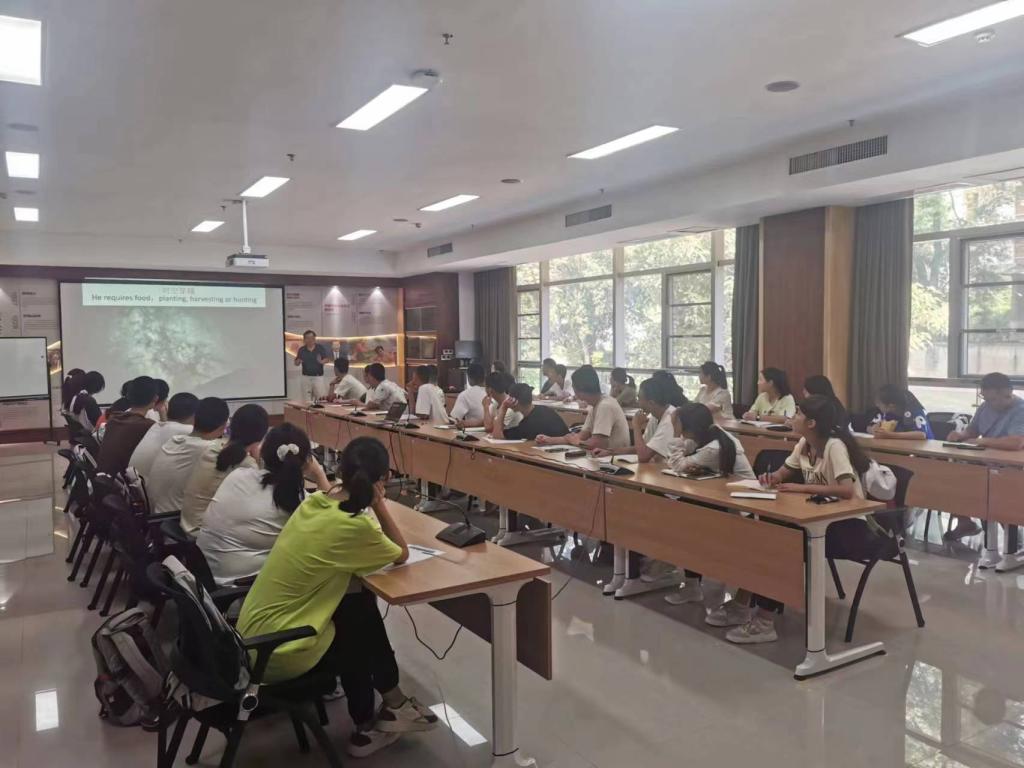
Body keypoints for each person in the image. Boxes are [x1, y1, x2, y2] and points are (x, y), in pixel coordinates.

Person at [237, 437, 438, 758]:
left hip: (251, 635)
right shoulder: (354, 525)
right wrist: (378, 504)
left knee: (355, 603)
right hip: (277, 651)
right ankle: (373, 721)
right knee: (356, 623)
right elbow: (401, 553)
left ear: (340, 470)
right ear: (384, 478)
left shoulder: (313, 503)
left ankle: (393, 704)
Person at [733, 395, 872, 644]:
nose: (792, 417)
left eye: (798, 413)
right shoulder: (804, 444)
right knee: (767, 534)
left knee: (781, 545)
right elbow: (782, 473)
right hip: (818, 520)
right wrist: (771, 479)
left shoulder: (834, 446)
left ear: (811, 423)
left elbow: (846, 490)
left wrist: (802, 488)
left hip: (848, 527)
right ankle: (742, 605)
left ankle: (764, 621)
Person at [198, 423, 331, 582]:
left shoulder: (238, 475)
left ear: (263, 453)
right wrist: (319, 473)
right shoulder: (297, 500)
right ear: (307, 461)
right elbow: (332, 517)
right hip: (240, 584)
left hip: (204, 574)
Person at [664, 402, 757, 608]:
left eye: (679, 425)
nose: (678, 429)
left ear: (690, 427)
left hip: (744, 508)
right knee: (689, 514)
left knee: (694, 524)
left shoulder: (714, 447)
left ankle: (698, 587)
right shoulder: (710, 434)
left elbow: (678, 465)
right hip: (725, 500)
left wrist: (676, 436)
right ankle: (692, 586)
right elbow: (686, 453)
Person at [946, 372, 1024, 541]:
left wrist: (981, 442)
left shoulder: (1020, 409)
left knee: (996, 494)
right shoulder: (986, 406)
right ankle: (965, 522)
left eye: (993, 399)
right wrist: (960, 435)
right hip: (985, 461)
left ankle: (1012, 539)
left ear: (1008, 393)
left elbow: (1016, 442)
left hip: (1011, 467)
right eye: (986, 399)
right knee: (951, 477)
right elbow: (973, 430)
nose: (990, 403)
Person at [181, 404, 270, 534]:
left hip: (187, 523)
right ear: (261, 437)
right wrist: (256, 456)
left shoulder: (212, 448)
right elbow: (258, 499)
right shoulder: (246, 465)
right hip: (203, 533)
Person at [146, 397, 229, 514]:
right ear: (223, 427)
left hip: (155, 513)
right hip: (173, 518)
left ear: (194, 418)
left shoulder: (174, 440)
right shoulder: (209, 450)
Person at [535, 365, 629, 451]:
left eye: (575, 391)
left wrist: (577, 442)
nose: (576, 396)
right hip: (603, 457)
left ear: (582, 389)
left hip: (614, 459)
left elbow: (598, 444)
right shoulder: (595, 406)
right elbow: (581, 436)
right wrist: (549, 439)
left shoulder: (605, 406)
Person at [594, 376, 675, 461]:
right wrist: (610, 452)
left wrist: (636, 426)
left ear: (651, 403)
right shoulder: (655, 417)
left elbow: (643, 456)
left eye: (639, 398)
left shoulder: (670, 420)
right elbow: (640, 447)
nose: (638, 402)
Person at [96, 376, 158, 475]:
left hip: (104, 477)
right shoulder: (148, 426)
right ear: (155, 398)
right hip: (122, 480)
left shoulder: (115, 419)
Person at [128, 392, 198, 477]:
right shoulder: (188, 431)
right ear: (194, 414)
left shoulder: (153, 426)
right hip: (145, 483)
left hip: (130, 480)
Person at [492, 383, 569, 441]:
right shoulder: (542, 409)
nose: (507, 400)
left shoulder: (528, 424)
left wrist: (503, 407)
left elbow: (497, 435)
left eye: (509, 397)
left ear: (515, 401)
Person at [868, 385, 933, 440]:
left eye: (880, 405)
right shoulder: (886, 412)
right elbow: (869, 427)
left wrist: (890, 435)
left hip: (923, 447)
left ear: (891, 406)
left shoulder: (914, 410)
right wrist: (873, 430)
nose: (877, 406)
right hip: (899, 446)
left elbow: (921, 435)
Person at [294, 330, 332, 402]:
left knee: (321, 398)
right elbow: (296, 363)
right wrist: (298, 361)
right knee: (306, 400)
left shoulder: (320, 348)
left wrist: (321, 361)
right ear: (304, 340)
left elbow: (327, 359)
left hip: (318, 377)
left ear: (314, 339)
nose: (310, 340)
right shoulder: (301, 350)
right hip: (306, 378)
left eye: (311, 338)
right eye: (307, 338)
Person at [451, 362, 487, 427]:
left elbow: (455, 418)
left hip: (473, 431)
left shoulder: (465, 395)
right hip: (493, 430)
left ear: (469, 378)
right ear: (484, 377)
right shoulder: (493, 392)